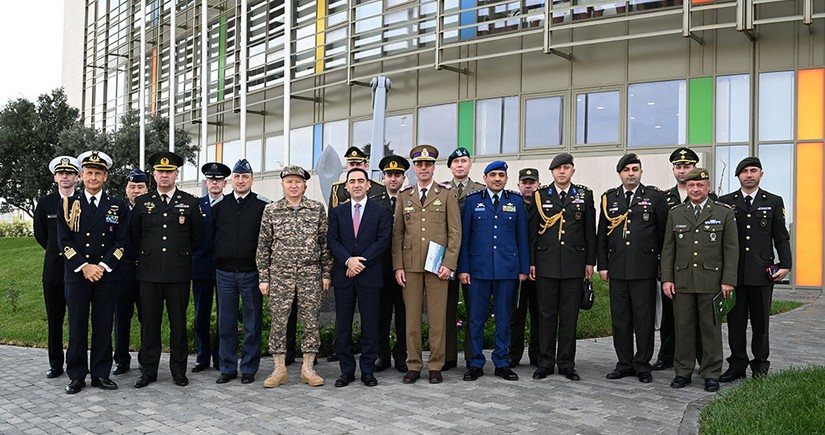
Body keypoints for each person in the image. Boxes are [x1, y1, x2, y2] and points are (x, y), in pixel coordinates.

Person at [56, 151, 128, 394]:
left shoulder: (117, 206)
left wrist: (103, 266)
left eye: (98, 173)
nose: (93, 177)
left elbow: (122, 242)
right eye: (89, 173)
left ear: (105, 176)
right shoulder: (68, 203)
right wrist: (84, 266)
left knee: (103, 325)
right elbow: (64, 241)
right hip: (77, 276)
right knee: (77, 326)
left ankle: (100, 374)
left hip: (106, 276)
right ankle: (76, 375)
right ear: (82, 175)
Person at [131, 151, 204, 388]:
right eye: (160, 172)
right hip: (149, 274)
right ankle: (149, 371)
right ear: (154, 174)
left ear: (176, 174)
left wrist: (180, 255)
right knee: (150, 324)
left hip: (178, 273)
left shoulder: (189, 202)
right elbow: (134, 236)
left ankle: (178, 371)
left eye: (169, 172)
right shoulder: (142, 203)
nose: (164, 176)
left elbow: (198, 237)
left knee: (178, 324)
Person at [661, 168, 738, 393]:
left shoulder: (723, 212)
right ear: (687, 187)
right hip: (682, 280)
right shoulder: (676, 213)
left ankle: (711, 373)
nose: (695, 189)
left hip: (712, 281)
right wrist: (667, 279)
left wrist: (728, 281)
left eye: (700, 185)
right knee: (683, 327)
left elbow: (731, 250)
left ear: (708, 187)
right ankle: (683, 371)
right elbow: (668, 249)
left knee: (711, 329)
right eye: (691, 185)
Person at [392, 145, 461, 384]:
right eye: (419, 165)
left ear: (433, 167)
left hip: (438, 265)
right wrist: (398, 266)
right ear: (414, 168)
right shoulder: (404, 195)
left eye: (428, 165)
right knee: (411, 319)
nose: (423, 168)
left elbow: (455, 232)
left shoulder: (446, 194)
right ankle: (413, 365)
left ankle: (435, 365)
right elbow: (398, 234)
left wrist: (450, 264)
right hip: (410, 266)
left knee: (437, 318)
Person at [258, 166, 332, 388]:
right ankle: (279, 369)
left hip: (310, 274)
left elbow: (325, 244)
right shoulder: (271, 210)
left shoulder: (316, 209)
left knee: (310, 322)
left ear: (305, 186)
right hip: (280, 274)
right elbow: (263, 246)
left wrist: (326, 273)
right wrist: (264, 277)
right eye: (289, 181)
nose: (293, 185)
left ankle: (308, 369)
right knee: (279, 322)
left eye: (297, 182)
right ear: (282, 185)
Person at [597, 154, 668, 384]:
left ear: (641, 172)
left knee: (644, 319)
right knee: (621, 319)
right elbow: (602, 235)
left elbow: (663, 236)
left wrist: (660, 266)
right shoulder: (609, 198)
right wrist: (603, 266)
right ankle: (624, 363)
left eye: (635, 169)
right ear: (619, 173)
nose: (631, 173)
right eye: (626, 169)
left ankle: (642, 364)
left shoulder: (655, 197)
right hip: (617, 269)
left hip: (644, 269)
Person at [719, 157, 791, 381]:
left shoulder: (773, 201)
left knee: (761, 323)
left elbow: (781, 237)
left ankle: (760, 365)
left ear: (761, 174)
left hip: (761, 273)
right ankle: (737, 365)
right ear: (738, 176)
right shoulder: (725, 201)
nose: (749, 175)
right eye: (744, 172)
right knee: (735, 323)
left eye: (753, 171)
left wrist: (786, 265)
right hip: (734, 274)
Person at [458, 161, 528, 382]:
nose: (497, 179)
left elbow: (522, 238)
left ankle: (502, 362)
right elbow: (465, 238)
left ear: (506, 179)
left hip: (507, 271)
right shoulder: (472, 202)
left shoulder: (515, 201)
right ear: (485, 177)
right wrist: (463, 268)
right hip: (478, 271)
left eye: (502, 175)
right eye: (493, 175)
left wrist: (523, 268)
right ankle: (475, 363)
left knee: (504, 319)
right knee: (476, 319)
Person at [529, 153, 596, 382]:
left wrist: (590, 262)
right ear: (552, 172)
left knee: (569, 316)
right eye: (558, 168)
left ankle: (567, 363)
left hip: (573, 265)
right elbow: (532, 233)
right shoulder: (540, 196)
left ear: (572, 171)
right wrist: (531, 262)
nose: (562, 172)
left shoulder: (584, 195)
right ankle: (545, 362)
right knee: (546, 315)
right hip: (545, 264)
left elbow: (590, 232)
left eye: (566, 167)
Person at [327, 167, 393, 387]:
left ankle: (367, 370)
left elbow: (383, 241)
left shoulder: (380, 211)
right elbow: (332, 240)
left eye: (360, 181)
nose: (356, 184)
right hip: (344, 275)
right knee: (343, 325)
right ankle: (346, 371)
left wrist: (360, 262)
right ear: (346, 187)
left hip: (369, 275)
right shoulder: (337, 212)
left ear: (368, 185)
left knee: (370, 325)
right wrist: (348, 261)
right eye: (352, 181)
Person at [655, 147, 715, 371]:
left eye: (687, 166)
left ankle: (702, 358)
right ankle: (667, 355)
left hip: (701, 269)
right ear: (673, 169)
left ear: (695, 168)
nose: (682, 170)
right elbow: (661, 236)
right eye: (678, 167)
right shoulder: (663, 197)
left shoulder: (712, 199)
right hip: (673, 267)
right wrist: (662, 267)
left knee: (701, 318)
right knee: (670, 316)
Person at [212, 159, 269, 384]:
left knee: (252, 322)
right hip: (224, 273)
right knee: (225, 322)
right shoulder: (220, 206)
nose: (241, 180)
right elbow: (212, 237)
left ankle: (248, 368)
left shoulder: (262, 206)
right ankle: (227, 367)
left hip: (251, 273)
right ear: (231, 180)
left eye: (245, 176)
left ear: (252, 179)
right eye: (237, 176)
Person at [33, 155, 79, 379]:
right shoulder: (45, 203)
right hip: (53, 271)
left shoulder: (83, 200)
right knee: (55, 319)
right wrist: (55, 251)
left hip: (78, 270)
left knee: (77, 320)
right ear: (55, 177)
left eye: (69, 173)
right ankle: (55, 363)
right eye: (61, 173)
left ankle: (76, 362)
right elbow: (41, 234)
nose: (64, 177)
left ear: (76, 177)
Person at [443, 147, 485, 370]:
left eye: (464, 161)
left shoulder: (480, 190)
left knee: (474, 309)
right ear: (450, 166)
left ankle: (472, 357)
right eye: (456, 161)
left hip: (473, 257)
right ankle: (448, 357)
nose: (460, 165)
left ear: (470, 164)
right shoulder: (441, 190)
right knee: (446, 309)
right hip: (447, 257)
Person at [191, 162, 230, 373]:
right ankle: (202, 356)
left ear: (225, 183)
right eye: (210, 179)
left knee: (224, 315)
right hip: (201, 268)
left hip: (225, 268)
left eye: (218, 180)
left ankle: (220, 356)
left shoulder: (231, 205)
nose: (214, 183)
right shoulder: (196, 205)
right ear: (206, 183)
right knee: (201, 316)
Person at [375, 155, 410, 373]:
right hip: (381, 267)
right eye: (389, 175)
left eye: (397, 175)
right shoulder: (375, 202)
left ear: (404, 177)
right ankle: (382, 355)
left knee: (404, 313)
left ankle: (401, 355)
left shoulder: (411, 199)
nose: (393, 179)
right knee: (382, 313)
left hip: (406, 267)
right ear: (383, 177)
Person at [112, 168, 148, 375]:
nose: (136, 191)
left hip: (145, 270)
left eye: (140, 187)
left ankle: (145, 359)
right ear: (126, 189)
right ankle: (122, 360)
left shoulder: (153, 209)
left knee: (147, 317)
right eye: (132, 187)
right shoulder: (116, 210)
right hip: (122, 269)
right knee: (122, 317)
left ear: (146, 188)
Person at [509, 168, 540, 368]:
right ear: (519, 184)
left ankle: (537, 355)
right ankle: (513, 355)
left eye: (532, 182)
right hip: (516, 270)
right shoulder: (512, 204)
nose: (528, 186)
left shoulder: (544, 205)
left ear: (538, 184)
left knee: (538, 315)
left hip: (539, 270)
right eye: (524, 182)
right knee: (516, 315)